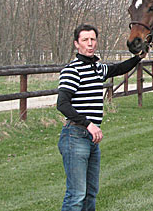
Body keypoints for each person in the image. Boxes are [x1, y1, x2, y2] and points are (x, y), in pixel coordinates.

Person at [57, 24, 143, 210]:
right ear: (76, 44)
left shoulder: (97, 68)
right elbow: (62, 104)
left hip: (91, 140)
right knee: (76, 195)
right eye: (85, 40)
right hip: (75, 136)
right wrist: (88, 124)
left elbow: (119, 68)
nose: (90, 44)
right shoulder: (72, 70)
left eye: (93, 39)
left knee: (90, 194)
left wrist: (139, 57)